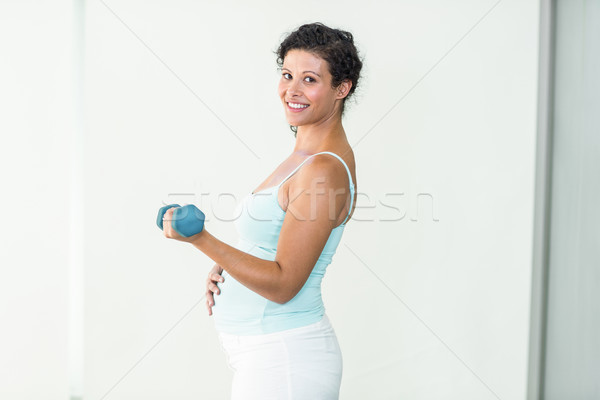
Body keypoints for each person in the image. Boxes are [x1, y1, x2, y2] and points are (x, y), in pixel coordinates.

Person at [162, 21, 363, 399]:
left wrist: (201, 239)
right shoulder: (302, 157)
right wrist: (232, 265)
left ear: (342, 88)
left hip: (285, 359)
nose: (292, 90)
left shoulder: (323, 170)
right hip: (266, 355)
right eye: (287, 75)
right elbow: (274, 243)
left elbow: (285, 284)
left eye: (309, 79)